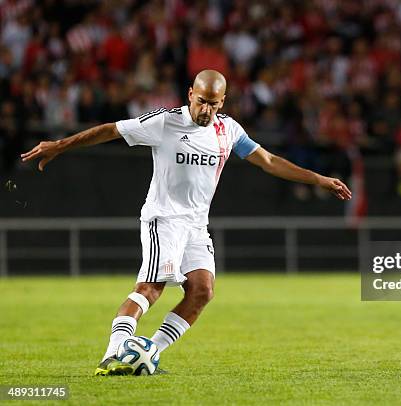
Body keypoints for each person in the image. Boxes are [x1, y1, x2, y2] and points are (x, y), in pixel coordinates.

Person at [21, 69, 352, 376]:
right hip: (163, 218)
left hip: (196, 224)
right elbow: (112, 130)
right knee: (151, 288)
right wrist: (60, 145)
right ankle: (112, 354)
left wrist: (318, 179)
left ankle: (149, 352)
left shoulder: (229, 129)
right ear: (190, 94)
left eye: (213, 103)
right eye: (201, 100)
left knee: (203, 291)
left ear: (222, 102)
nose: (205, 109)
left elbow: (268, 161)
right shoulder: (165, 121)